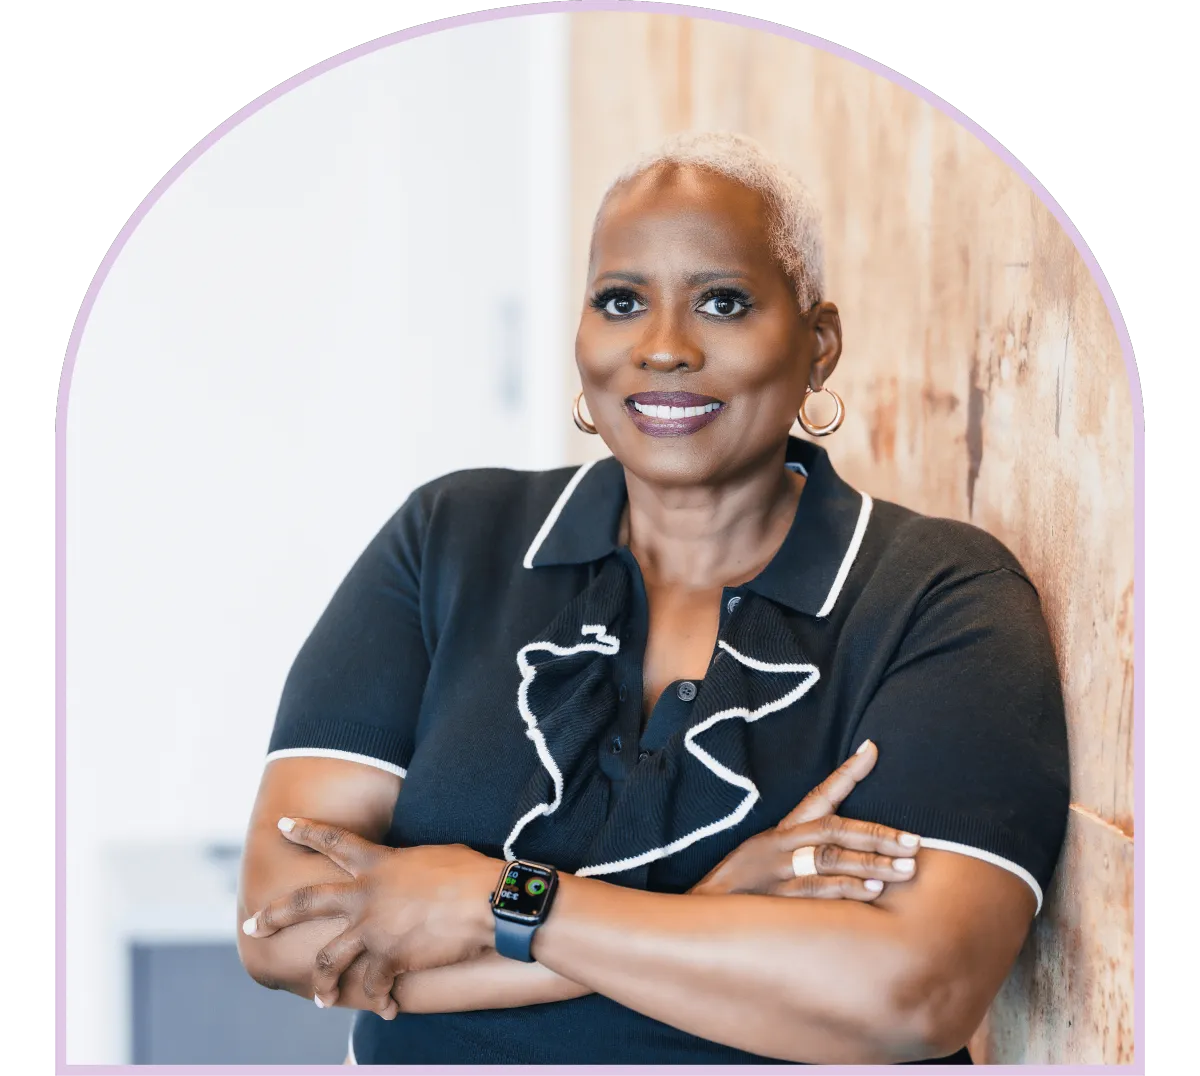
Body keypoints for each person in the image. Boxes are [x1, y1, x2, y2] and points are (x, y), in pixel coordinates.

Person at [235, 131, 1070, 1065]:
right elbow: (281, 929)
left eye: (723, 302)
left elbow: (913, 995)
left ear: (819, 344)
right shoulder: (449, 540)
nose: (664, 348)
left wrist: (489, 903)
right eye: (621, 302)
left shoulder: (941, 597)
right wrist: (713, 908)